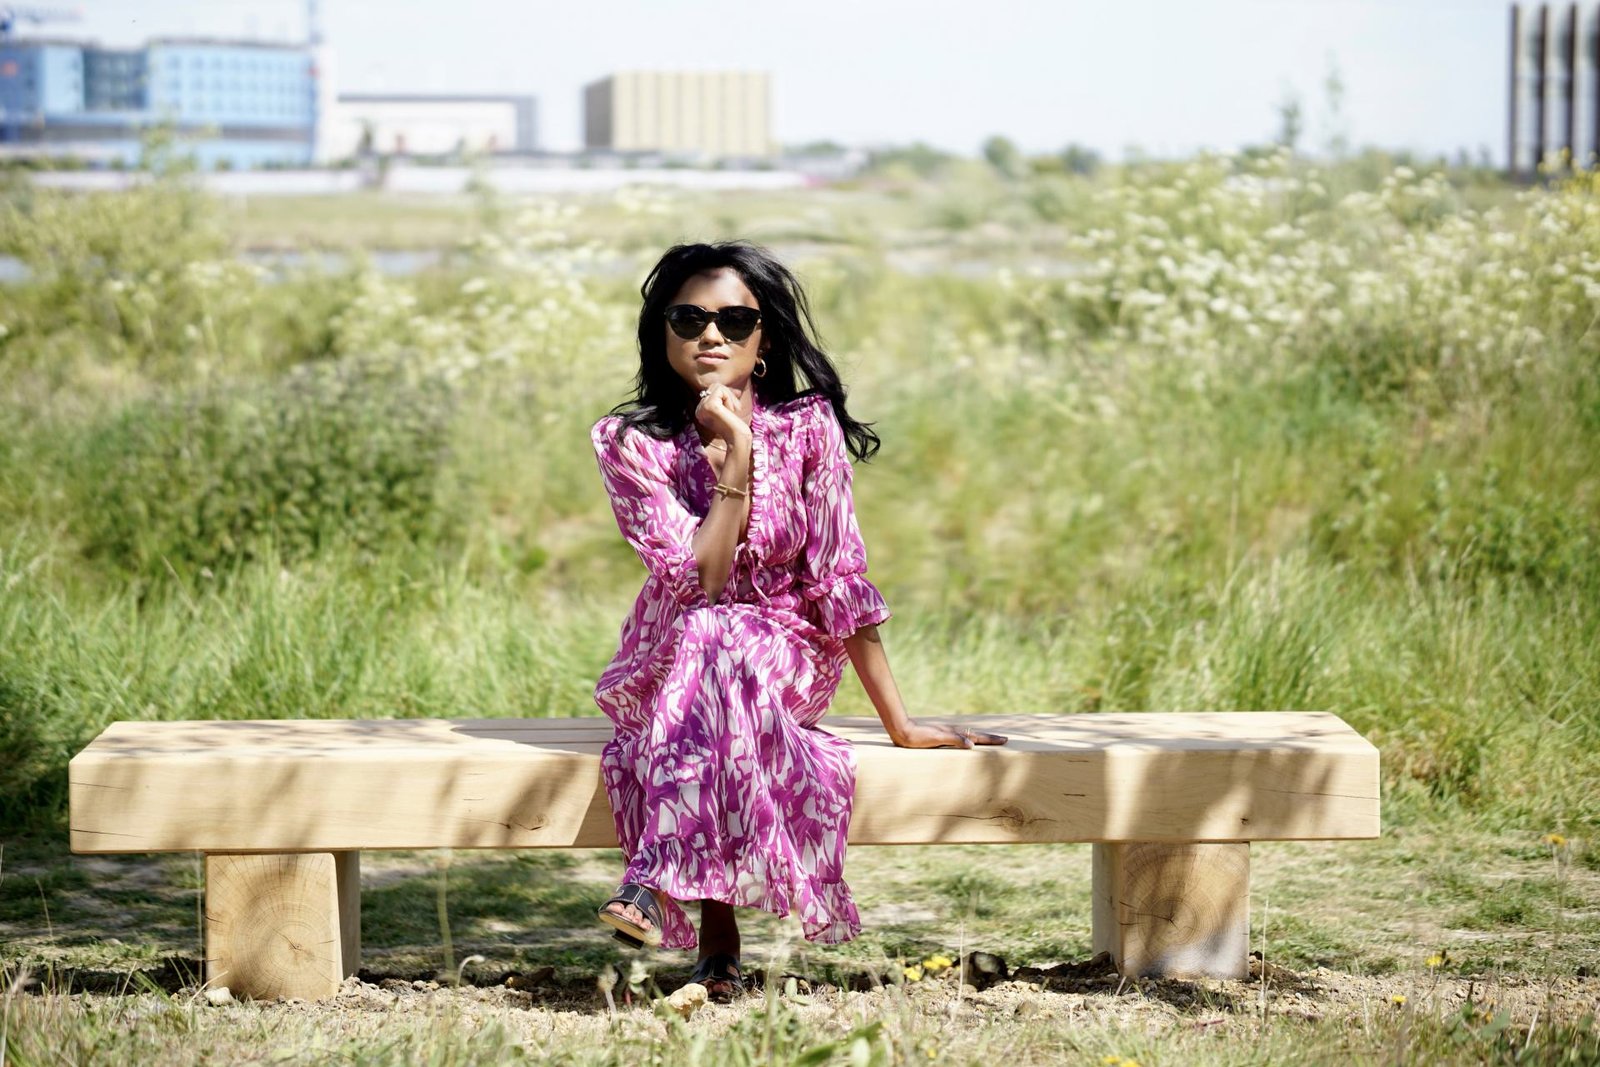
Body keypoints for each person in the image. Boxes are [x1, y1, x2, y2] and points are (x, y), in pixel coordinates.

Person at [589, 241, 1007, 1000]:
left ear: (765, 337)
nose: (711, 334)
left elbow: (841, 577)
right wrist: (735, 470)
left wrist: (902, 724)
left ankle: (665, 890)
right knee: (714, 635)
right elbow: (697, 579)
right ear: (662, 332)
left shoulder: (809, 427)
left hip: (789, 654)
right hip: (671, 662)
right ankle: (714, 939)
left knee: (729, 642)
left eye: (734, 319)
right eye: (689, 317)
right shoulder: (631, 443)